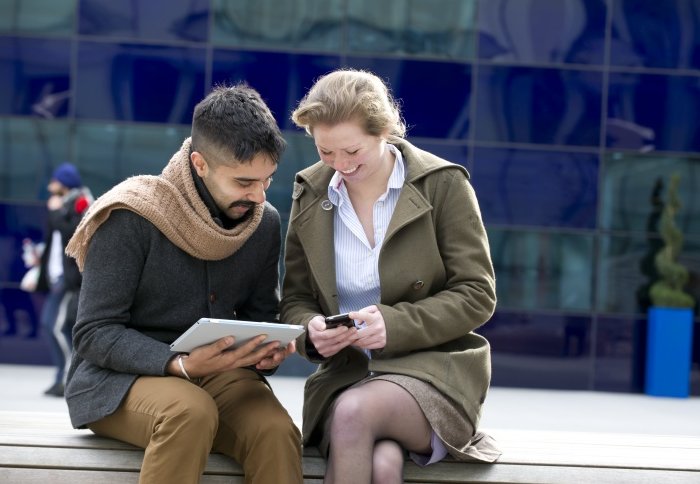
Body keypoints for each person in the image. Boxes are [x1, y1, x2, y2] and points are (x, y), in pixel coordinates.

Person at [64, 85, 303, 484]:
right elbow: (93, 333)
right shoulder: (131, 216)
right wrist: (180, 364)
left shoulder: (264, 222)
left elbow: (260, 314)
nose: (259, 195)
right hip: (117, 382)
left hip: (221, 374)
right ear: (200, 163)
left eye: (267, 179)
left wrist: (268, 350)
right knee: (189, 411)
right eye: (245, 181)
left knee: (275, 430)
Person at [280, 69, 501, 483]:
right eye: (325, 152)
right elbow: (294, 300)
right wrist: (308, 332)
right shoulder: (308, 192)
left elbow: (477, 293)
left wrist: (395, 325)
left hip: (433, 372)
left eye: (352, 151)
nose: (340, 166)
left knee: (354, 413)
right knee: (381, 465)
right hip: (345, 375)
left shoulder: (443, 184)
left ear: (384, 131)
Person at [35, 162, 93, 397]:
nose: (51, 187)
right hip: (59, 278)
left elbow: (74, 234)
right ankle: (64, 377)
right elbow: (53, 243)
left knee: (57, 326)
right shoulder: (61, 204)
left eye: (55, 182)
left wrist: (56, 212)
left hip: (72, 280)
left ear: (65, 183)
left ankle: (70, 376)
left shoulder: (81, 203)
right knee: (56, 326)